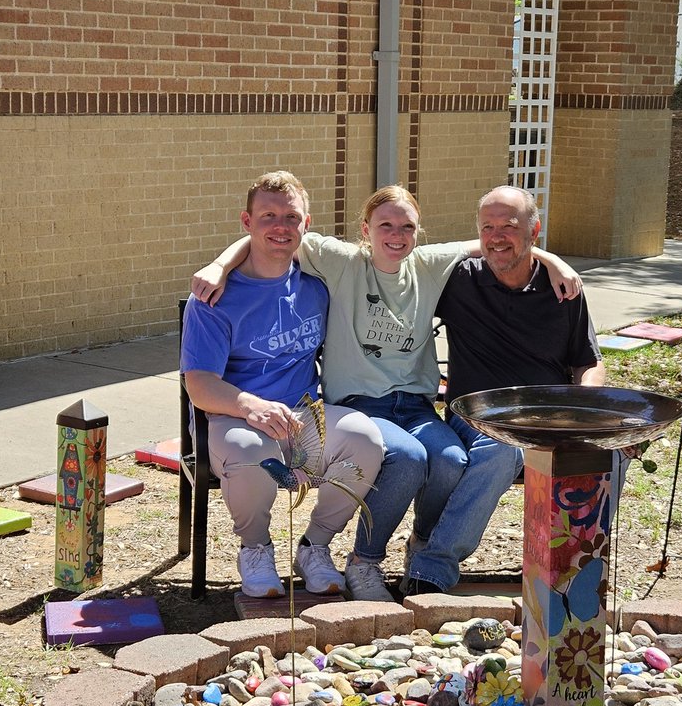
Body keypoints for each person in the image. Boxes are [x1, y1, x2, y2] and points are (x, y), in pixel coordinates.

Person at [192, 184, 582, 601]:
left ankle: (422, 548)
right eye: (385, 225)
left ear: (418, 233)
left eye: (407, 227)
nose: (396, 235)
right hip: (360, 404)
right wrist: (218, 264)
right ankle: (365, 560)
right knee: (409, 459)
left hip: (415, 406)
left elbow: (497, 241)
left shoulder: (428, 265)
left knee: (450, 460)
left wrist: (552, 260)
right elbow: (275, 230)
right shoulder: (341, 261)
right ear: (365, 229)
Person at [402, 184, 628, 594]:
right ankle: (431, 568)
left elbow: (588, 360)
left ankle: (571, 570)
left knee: (609, 454)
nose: (496, 236)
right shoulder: (458, 280)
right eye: (487, 227)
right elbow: (404, 259)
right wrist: (548, 254)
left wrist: (586, 404)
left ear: (533, 230)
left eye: (509, 226)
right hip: (477, 417)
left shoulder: (563, 291)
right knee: (503, 449)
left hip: (549, 418)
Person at [180, 171, 384, 599]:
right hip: (237, 420)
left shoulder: (317, 285)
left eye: (291, 217)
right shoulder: (214, 298)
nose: (280, 227)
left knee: (365, 438)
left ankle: (315, 547)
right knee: (253, 452)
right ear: (246, 221)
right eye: (268, 216)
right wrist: (251, 405)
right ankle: (255, 549)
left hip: (304, 416)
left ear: (306, 225)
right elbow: (199, 385)